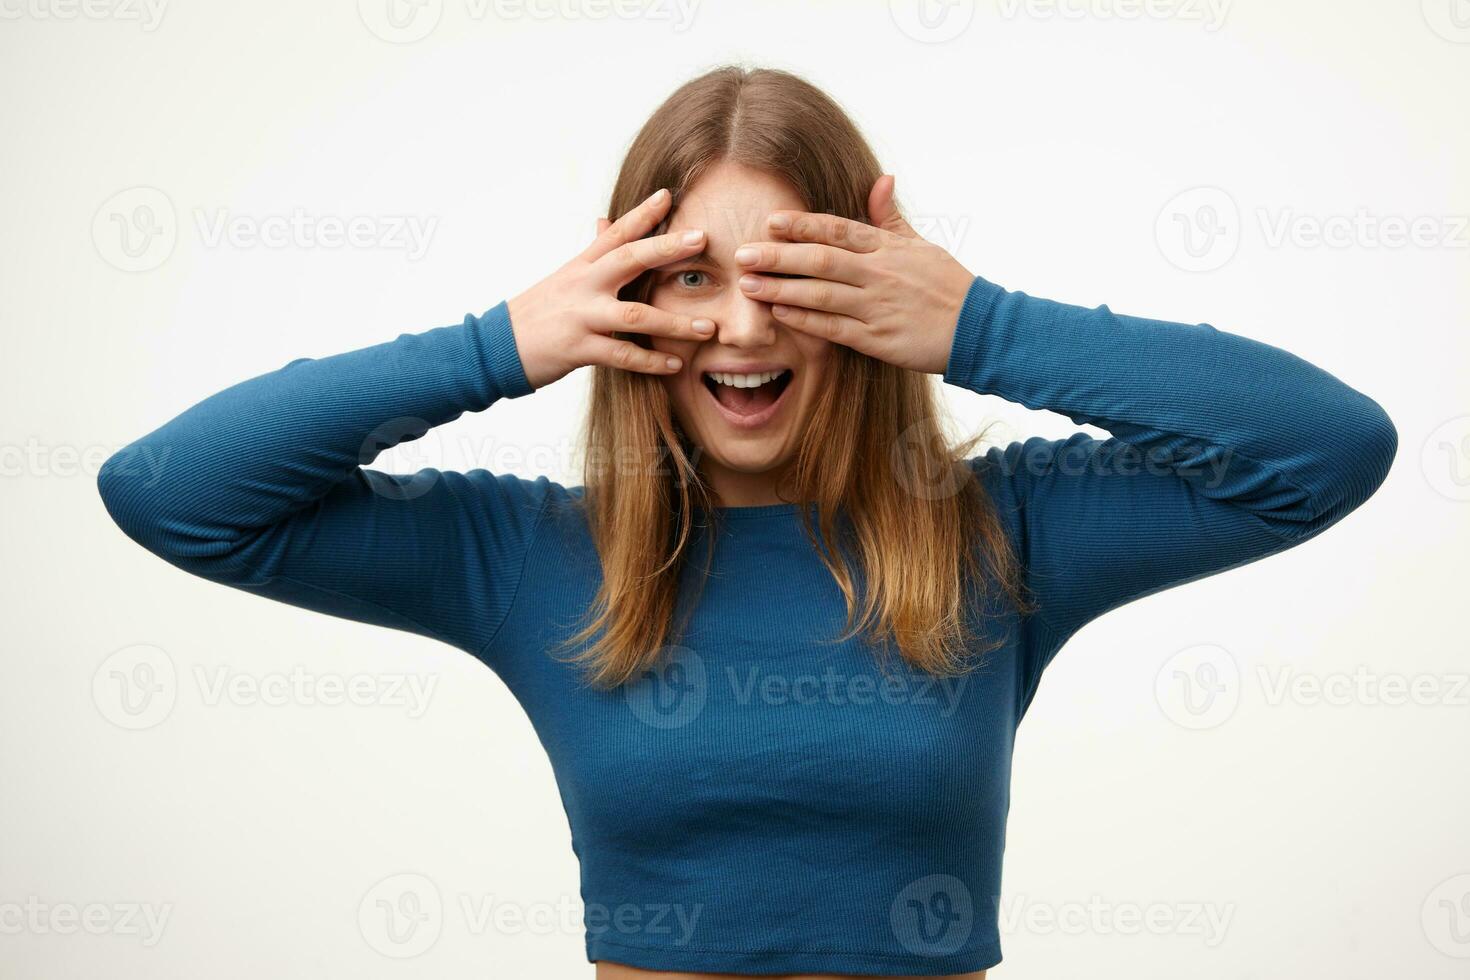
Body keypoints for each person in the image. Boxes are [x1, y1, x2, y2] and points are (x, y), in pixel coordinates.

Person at [97, 66, 1397, 979]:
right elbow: (172, 493)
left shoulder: (997, 537)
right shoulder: (533, 557)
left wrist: (978, 325)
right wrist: (501, 343)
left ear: (867, 287)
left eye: (790, 274)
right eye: (687, 280)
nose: (740, 325)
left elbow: (1322, 450)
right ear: (622, 297)